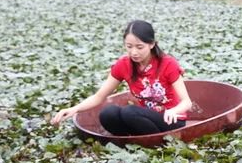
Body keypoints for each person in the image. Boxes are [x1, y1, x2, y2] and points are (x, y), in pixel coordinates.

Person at [51, 20, 192, 135]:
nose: (134, 52)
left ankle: (155, 143)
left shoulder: (167, 63)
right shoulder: (124, 65)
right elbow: (99, 97)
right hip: (145, 119)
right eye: (129, 46)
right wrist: (73, 109)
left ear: (151, 44)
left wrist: (174, 111)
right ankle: (134, 141)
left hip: (171, 120)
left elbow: (187, 103)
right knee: (108, 113)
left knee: (130, 112)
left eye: (139, 47)